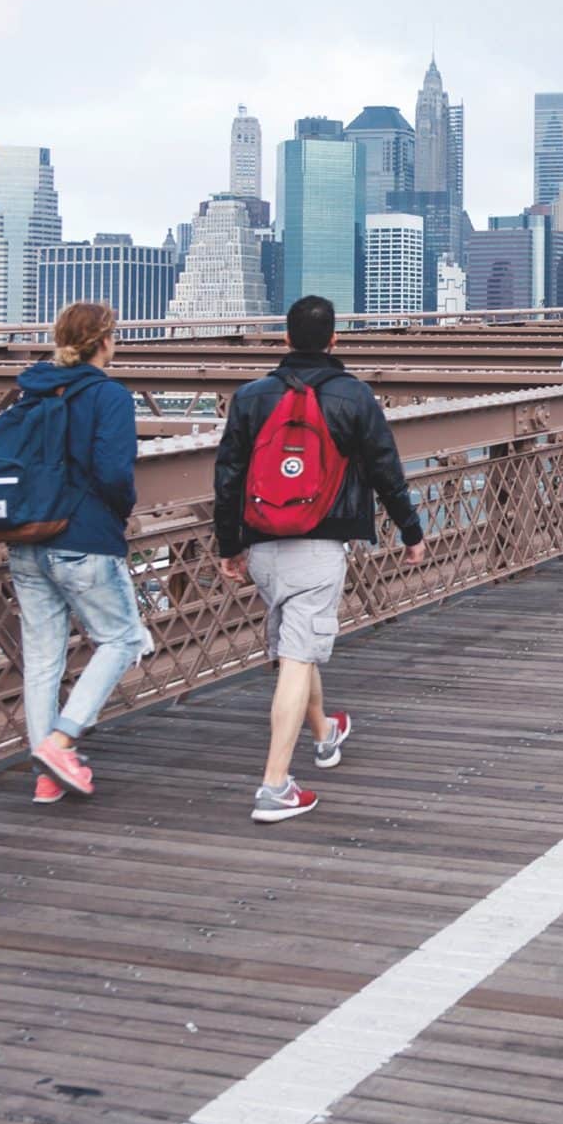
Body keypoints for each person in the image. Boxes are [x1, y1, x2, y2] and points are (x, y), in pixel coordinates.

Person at [213, 294, 428, 825]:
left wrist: (228, 545)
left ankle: (325, 732)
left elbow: (228, 478)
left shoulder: (250, 397)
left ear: (284, 340)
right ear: (335, 341)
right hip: (320, 542)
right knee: (297, 657)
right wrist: (411, 532)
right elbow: (386, 470)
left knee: (295, 648)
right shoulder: (354, 397)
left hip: (262, 542)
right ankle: (274, 787)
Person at [13, 301, 152, 805]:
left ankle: (48, 776)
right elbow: (114, 472)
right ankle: (60, 742)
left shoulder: (30, 390)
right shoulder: (109, 396)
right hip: (84, 537)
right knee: (122, 639)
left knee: (43, 659)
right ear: (107, 340)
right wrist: (120, 511)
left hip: (28, 538)